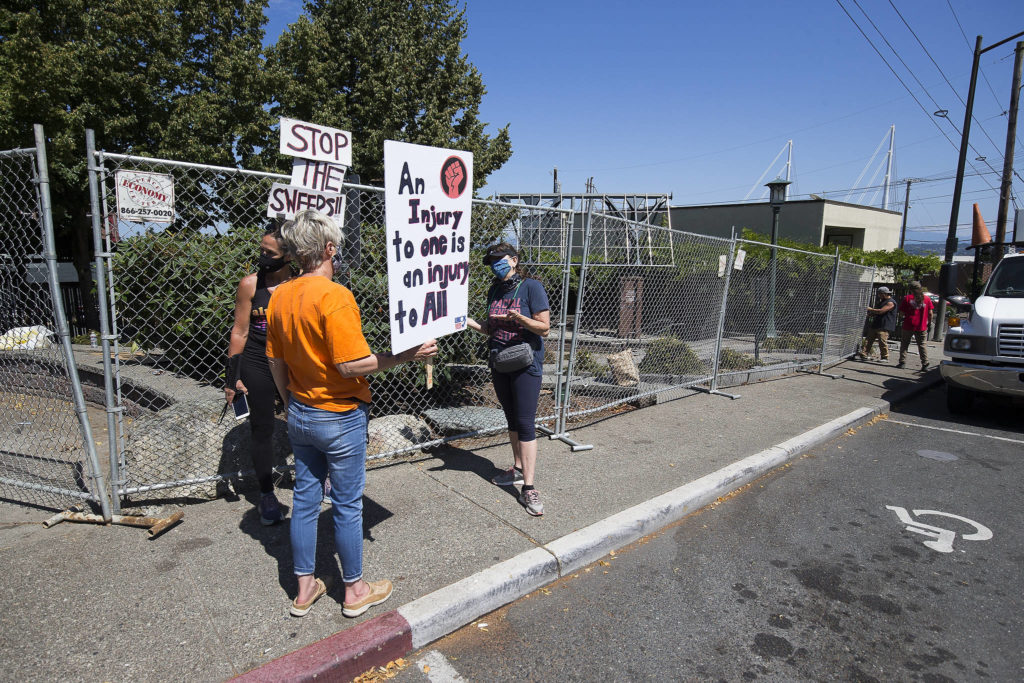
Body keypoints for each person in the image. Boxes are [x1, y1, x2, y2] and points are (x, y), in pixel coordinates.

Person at [265, 209, 436, 619]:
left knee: (305, 500)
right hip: (339, 414)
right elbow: (350, 365)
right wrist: (407, 355)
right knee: (346, 504)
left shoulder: (280, 296)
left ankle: (304, 587)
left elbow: (275, 361)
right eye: (335, 245)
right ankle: (355, 589)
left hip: (301, 411)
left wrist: (289, 403)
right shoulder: (334, 295)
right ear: (327, 248)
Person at [467, 243, 551, 517]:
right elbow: (490, 330)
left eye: (499, 260)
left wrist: (521, 318)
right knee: (512, 418)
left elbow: (545, 328)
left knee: (526, 422)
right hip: (500, 360)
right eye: (491, 261)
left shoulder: (531, 287)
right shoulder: (494, 290)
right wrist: (466, 321)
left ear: (514, 260)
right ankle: (516, 469)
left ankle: (529, 486)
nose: (495, 265)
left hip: (526, 362)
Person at [224, 225, 293, 525]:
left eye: (270, 253)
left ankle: (319, 480)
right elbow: (239, 331)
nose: (262, 257)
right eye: (262, 250)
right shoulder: (250, 285)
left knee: (308, 422)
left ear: (290, 255)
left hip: (293, 362)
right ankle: (267, 495)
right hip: (257, 361)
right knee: (261, 427)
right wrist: (231, 377)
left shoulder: (303, 285)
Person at [897, 281, 934, 371]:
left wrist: (901, 318)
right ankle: (925, 364)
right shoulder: (927, 299)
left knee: (905, 344)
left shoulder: (907, 298)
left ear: (910, 289)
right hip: (921, 326)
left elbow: (901, 313)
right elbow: (930, 313)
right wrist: (929, 322)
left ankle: (902, 362)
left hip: (908, 324)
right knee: (922, 345)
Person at [858, 286, 896, 362]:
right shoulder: (882, 301)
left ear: (884, 294)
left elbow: (881, 311)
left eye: (880, 294)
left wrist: (870, 309)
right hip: (876, 323)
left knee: (882, 341)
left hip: (884, 325)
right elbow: (877, 312)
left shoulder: (890, 302)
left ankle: (885, 357)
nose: (879, 296)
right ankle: (864, 354)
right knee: (868, 340)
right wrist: (871, 314)